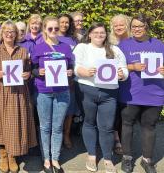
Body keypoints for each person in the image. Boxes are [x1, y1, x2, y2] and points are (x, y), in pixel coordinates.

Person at [0, 20, 37, 173]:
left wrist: (27, 74)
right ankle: (3, 153)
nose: (9, 34)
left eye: (12, 32)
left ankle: (13, 155)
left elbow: (28, 72)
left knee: (15, 121)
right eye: (6, 32)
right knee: (0, 122)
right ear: (2, 34)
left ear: (16, 34)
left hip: (18, 91)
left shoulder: (23, 51)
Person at [73, 23, 128, 173]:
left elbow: (124, 68)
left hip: (109, 94)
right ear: (89, 34)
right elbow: (75, 66)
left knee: (107, 126)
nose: (99, 35)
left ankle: (107, 158)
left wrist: (122, 75)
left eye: (102, 32)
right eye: (95, 32)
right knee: (89, 122)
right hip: (86, 90)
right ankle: (91, 155)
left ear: (106, 34)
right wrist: (83, 72)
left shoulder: (115, 50)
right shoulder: (82, 48)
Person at [119, 14, 164, 173]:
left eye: (140, 26)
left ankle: (147, 160)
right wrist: (133, 67)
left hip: (155, 93)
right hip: (131, 93)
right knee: (127, 125)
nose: (137, 29)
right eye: (134, 27)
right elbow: (117, 67)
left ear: (147, 27)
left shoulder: (159, 45)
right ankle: (127, 158)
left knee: (149, 126)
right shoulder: (124, 45)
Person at [31, 16, 74, 173]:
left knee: (57, 127)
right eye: (50, 29)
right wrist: (38, 71)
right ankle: (46, 159)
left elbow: (71, 69)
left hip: (62, 92)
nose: (54, 31)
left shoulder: (66, 47)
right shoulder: (38, 48)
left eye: (56, 28)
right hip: (44, 92)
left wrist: (70, 72)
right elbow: (32, 69)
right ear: (45, 30)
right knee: (45, 127)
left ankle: (55, 158)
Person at [108, 14, 131, 155]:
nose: (118, 27)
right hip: (113, 82)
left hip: (131, 82)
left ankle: (125, 138)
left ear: (127, 25)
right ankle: (116, 139)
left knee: (126, 112)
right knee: (115, 111)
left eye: (121, 24)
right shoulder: (109, 41)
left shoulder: (133, 40)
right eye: (115, 25)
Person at [57, 13, 79, 150]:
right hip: (54, 79)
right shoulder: (50, 37)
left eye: (67, 22)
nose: (64, 25)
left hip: (70, 79)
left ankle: (66, 134)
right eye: (62, 22)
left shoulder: (73, 40)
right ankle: (57, 135)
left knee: (69, 110)